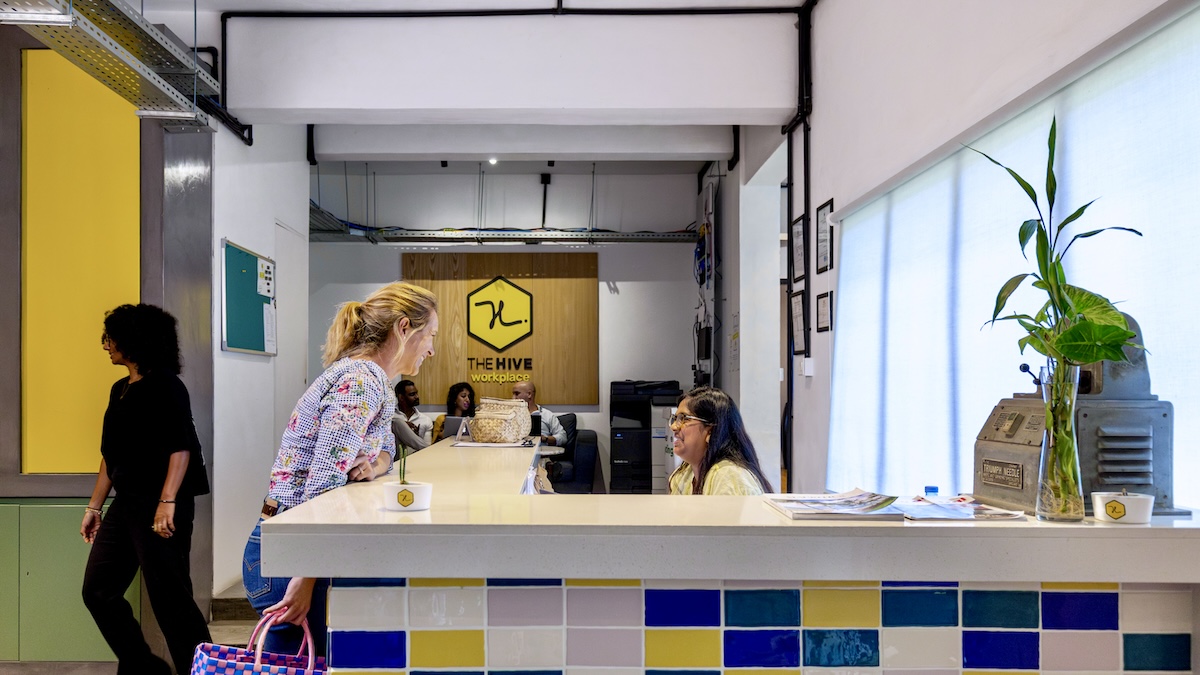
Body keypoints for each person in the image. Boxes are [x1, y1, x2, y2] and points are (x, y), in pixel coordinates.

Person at [243, 282, 438, 657]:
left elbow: (383, 450)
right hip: (293, 553)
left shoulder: (373, 379)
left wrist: (373, 465)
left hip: (296, 544)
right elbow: (322, 486)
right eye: (429, 335)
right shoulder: (360, 382)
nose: (431, 348)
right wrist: (304, 577)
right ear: (403, 328)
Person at [81, 303, 211, 675]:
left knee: (172, 601)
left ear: (134, 340)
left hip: (162, 504)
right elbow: (110, 455)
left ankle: (201, 670)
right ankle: (145, 668)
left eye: (111, 336)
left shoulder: (166, 384)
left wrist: (167, 501)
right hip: (126, 506)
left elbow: (180, 446)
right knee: (98, 591)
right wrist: (94, 507)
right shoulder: (120, 389)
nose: (105, 344)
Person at [667, 386, 773, 496]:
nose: (674, 427)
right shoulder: (683, 475)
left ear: (710, 431)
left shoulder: (729, 477)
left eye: (684, 418)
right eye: (675, 419)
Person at [512, 381, 567, 447]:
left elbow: (563, 437)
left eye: (516, 394)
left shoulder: (547, 415)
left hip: (541, 454)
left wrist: (545, 439)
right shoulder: (511, 415)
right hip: (517, 453)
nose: (513, 398)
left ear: (529, 394)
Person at [391, 379, 433, 454]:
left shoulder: (425, 420)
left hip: (417, 459)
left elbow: (426, 447)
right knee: (397, 423)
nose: (417, 397)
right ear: (401, 397)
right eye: (412, 394)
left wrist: (415, 435)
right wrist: (403, 426)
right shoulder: (389, 416)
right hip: (395, 459)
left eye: (416, 393)